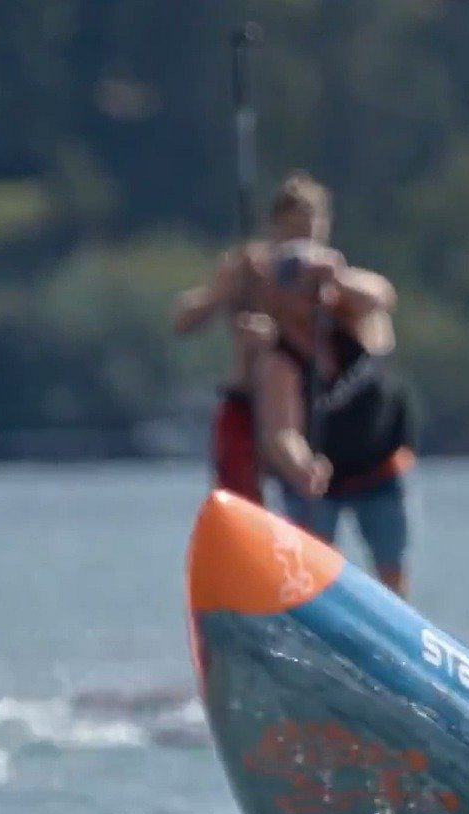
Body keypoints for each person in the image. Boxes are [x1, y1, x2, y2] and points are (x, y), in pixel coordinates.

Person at [247, 239, 416, 596]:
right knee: (310, 568)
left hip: (378, 468)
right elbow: (281, 432)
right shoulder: (281, 360)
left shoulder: (354, 320)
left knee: (391, 567)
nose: (314, 298)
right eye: (303, 289)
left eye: (317, 288)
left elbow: (382, 295)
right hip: (321, 480)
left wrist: (334, 275)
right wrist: (302, 465)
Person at [172, 171, 333, 502]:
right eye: (292, 231)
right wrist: (224, 292)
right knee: (240, 503)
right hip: (246, 403)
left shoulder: (326, 274)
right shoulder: (248, 266)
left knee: (307, 503)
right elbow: (183, 321)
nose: (300, 244)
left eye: (309, 233)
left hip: (304, 406)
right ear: (274, 225)